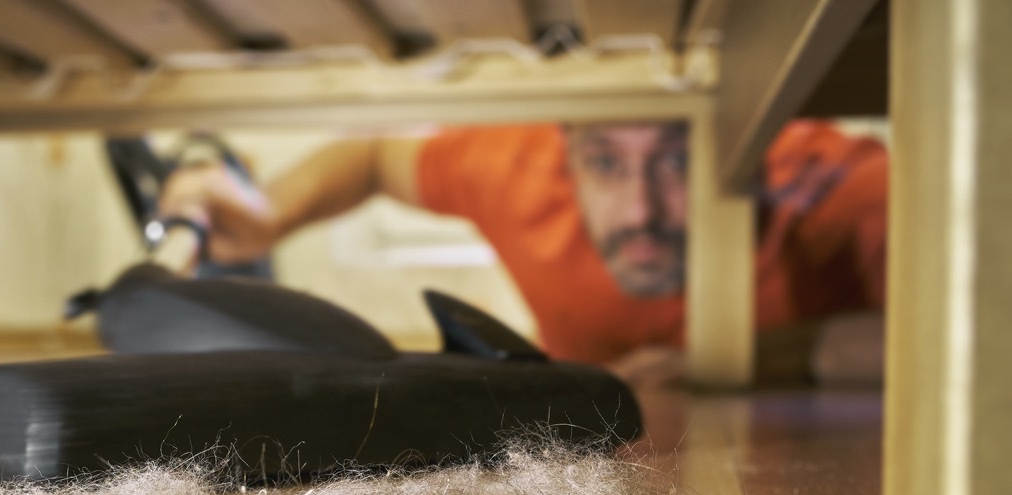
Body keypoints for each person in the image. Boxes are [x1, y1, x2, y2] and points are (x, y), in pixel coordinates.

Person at [158, 120, 888, 385]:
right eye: (605, 161)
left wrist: (739, 361)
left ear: (740, 150)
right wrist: (267, 214)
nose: (640, 210)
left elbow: (980, 338)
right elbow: (378, 155)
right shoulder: (519, 165)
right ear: (567, 155)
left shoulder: (832, 187)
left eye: (675, 162)